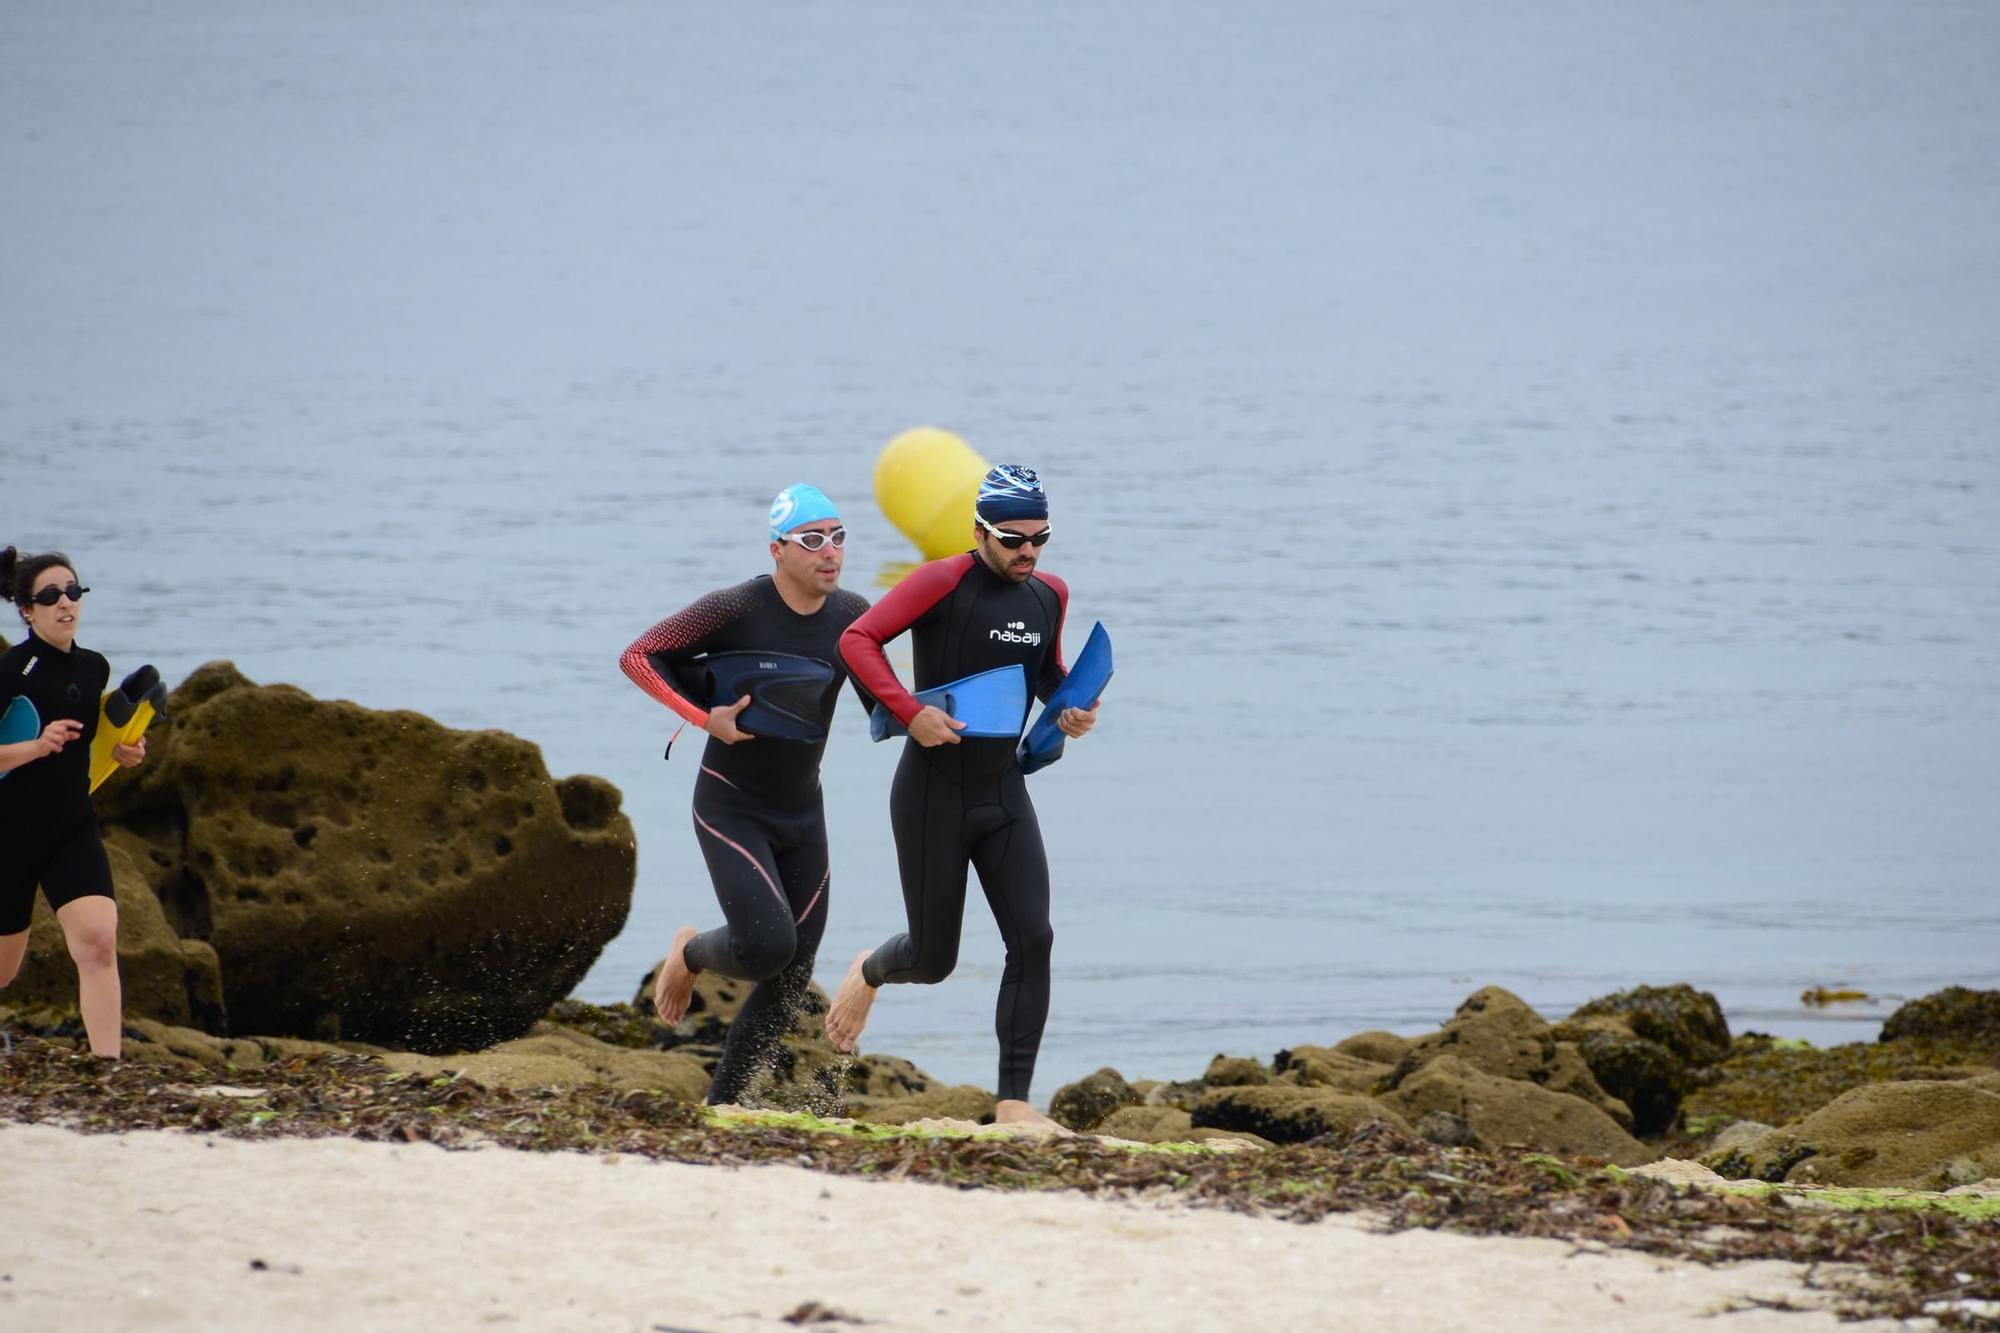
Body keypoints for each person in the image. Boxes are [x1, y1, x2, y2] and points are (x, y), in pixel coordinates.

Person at [825, 464, 1098, 1128]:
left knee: (1034, 938)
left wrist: (1071, 708)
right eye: (1012, 539)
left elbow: (1046, 675)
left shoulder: (1048, 594)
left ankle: (1013, 1103)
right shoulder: (940, 581)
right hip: (932, 794)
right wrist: (907, 710)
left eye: (1040, 537)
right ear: (980, 531)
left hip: (1004, 794)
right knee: (933, 957)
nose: (1028, 551)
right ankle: (870, 968)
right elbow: (855, 640)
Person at [618, 485, 872, 1105]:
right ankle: (689, 952)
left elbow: (882, 705)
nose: (829, 552)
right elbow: (638, 656)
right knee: (764, 946)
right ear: (778, 550)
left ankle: (723, 1106)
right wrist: (705, 720)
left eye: (838, 537)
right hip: (731, 804)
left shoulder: (854, 615)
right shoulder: (735, 607)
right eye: (812, 540)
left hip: (802, 812)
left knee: (792, 978)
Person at [0, 547, 147, 1058]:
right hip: (9, 836)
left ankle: (109, 1069)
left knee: (99, 944)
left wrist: (128, 750)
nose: (66, 603)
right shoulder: (11, 671)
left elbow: (98, 740)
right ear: (26, 609)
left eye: (72, 591)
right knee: (3, 970)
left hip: (70, 829)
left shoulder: (94, 669)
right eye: (50, 596)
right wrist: (36, 748)